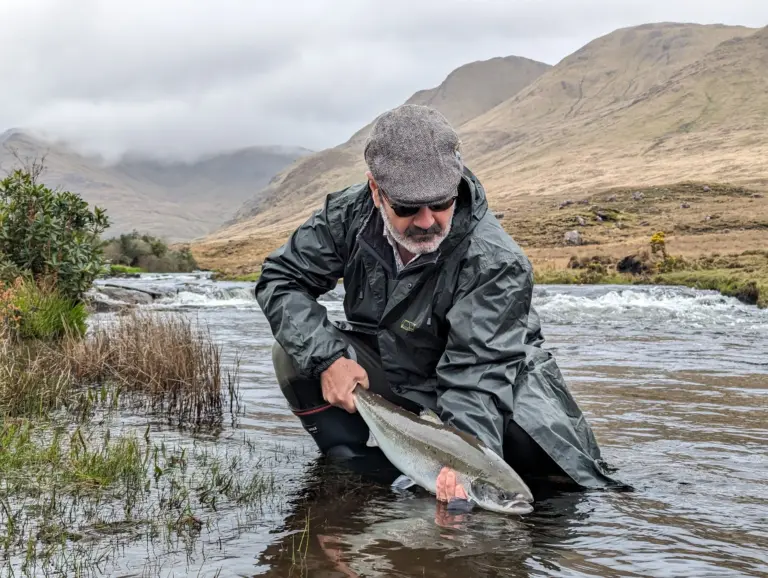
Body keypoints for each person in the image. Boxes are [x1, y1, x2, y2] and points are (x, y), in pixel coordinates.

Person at [254, 104, 618, 504]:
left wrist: (462, 470)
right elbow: (281, 279)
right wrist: (327, 359)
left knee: (545, 480)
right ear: (376, 191)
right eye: (408, 207)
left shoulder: (496, 260)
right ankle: (364, 478)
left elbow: (477, 375)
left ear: (456, 183)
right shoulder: (347, 215)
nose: (427, 221)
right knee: (293, 354)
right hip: (404, 369)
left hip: (498, 383)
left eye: (441, 202)